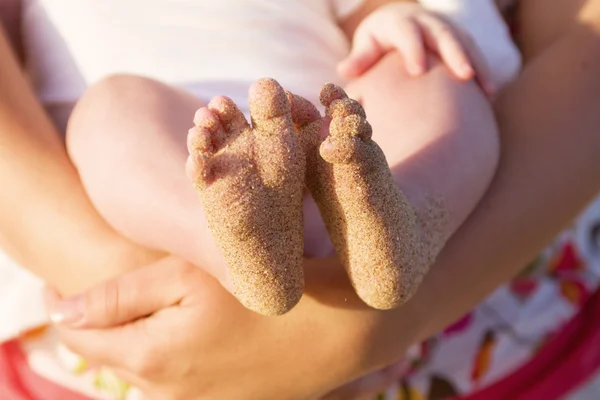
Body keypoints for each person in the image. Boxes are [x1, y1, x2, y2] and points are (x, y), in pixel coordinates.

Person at [7, 0, 597, 399]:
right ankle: (229, 241)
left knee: (427, 68)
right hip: (179, 158)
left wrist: (391, 18)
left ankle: (404, 224)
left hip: (344, 150)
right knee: (110, 114)